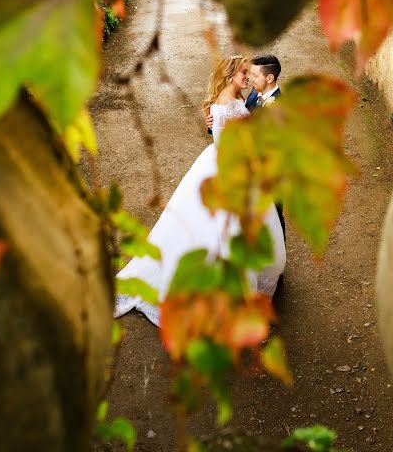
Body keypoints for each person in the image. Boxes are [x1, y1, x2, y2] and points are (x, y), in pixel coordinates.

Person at [114, 55, 286, 326]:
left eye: (251, 74)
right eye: (244, 73)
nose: (249, 78)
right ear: (231, 77)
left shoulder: (247, 100)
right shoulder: (233, 104)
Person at [206, 54, 285, 234]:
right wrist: (213, 124)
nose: (250, 78)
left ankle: (280, 251)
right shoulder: (252, 96)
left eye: (255, 75)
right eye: (248, 73)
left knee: (275, 217)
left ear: (269, 78)